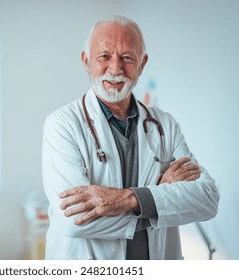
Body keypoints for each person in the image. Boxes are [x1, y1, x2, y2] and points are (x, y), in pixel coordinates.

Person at [42, 15, 219, 260]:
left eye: (127, 58)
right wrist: (156, 198)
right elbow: (75, 221)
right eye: (104, 56)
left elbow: (206, 199)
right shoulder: (61, 125)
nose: (115, 69)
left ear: (142, 64)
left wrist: (128, 199)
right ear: (86, 61)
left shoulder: (164, 125)